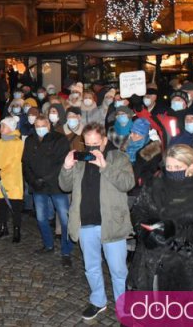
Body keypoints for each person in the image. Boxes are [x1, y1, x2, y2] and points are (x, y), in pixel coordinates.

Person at [59, 122, 134, 322]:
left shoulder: (118, 157)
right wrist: (66, 167)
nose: (92, 148)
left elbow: (128, 183)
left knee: (118, 269)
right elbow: (64, 186)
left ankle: (123, 304)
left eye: (96, 143)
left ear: (104, 140)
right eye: (88, 144)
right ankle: (98, 300)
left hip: (111, 223)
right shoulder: (81, 159)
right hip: (85, 222)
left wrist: (105, 167)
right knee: (91, 266)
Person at [127, 144, 193, 292]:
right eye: (168, 167)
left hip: (187, 262)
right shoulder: (154, 184)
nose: (171, 171)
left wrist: (173, 231)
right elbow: (139, 210)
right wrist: (145, 231)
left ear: (192, 165)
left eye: (177, 167)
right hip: (152, 257)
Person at [23, 115, 72, 263]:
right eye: (37, 126)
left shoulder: (59, 139)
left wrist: (44, 179)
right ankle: (48, 244)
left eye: (42, 125)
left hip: (57, 185)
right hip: (38, 187)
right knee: (41, 218)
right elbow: (25, 163)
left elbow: (61, 163)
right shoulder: (30, 140)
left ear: (48, 125)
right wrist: (33, 180)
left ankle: (66, 251)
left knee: (65, 219)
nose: (39, 129)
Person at [0, 116, 24, 243]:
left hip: (12, 181)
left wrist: (1, 172)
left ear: (10, 128)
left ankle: (16, 230)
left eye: (3, 126)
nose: (0, 129)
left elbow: (13, 162)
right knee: (1, 206)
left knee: (15, 208)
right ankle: (3, 227)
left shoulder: (18, 143)